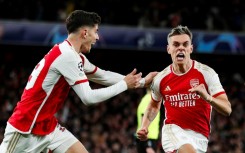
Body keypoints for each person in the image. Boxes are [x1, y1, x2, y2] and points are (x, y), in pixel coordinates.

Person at [0, 10, 158, 153]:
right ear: (84, 33)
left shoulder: (74, 55)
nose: (97, 37)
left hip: (47, 126)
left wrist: (143, 82)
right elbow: (88, 98)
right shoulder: (67, 56)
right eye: (95, 32)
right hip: (25, 130)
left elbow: (102, 76)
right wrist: (124, 85)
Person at [136, 25, 232, 153]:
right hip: (173, 131)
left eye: (185, 44)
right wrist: (144, 126)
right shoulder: (161, 78)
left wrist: (208, 97)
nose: (181, 48)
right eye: (176, 44)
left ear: (190, 48)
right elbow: (154, 105)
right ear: (169, 49)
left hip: (200, 137)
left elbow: (227, 109)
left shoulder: (207, 73)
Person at [135, 88, 161, 153]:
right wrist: (146, 143)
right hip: (147, 137)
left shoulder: (149, 99)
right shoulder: (148, 99)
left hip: (149, 137)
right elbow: (143, 117)